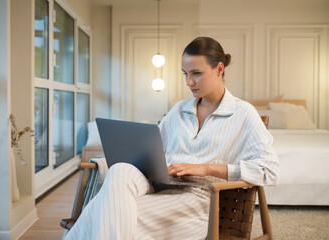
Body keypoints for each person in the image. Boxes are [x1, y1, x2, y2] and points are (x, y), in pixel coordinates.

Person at [64, 37, 279, 240]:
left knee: (106, 212)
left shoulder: (243, 113)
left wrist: (206, 168)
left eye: (196, 73)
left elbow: (269, 171)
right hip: (158, 185)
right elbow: (154, 151)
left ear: (219, 69)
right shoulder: (179, 110)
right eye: (185, 73)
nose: (189, 81)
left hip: (197, 200)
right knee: (120, 170)